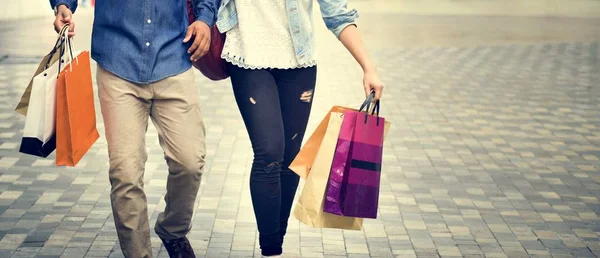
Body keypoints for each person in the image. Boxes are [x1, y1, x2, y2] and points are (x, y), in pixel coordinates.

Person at [215, 0, 384, 256]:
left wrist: (368, 67)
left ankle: (276, 244)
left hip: (298, 61)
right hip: (247, 56)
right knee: (269, 152)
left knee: (290, 155)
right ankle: (270, 246)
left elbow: (337, 13)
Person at [50, 0, 218, 257]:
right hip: (117, 60)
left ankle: (173, 230)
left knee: (190, 161)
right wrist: (63, 4)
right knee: (125, 173)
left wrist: (205, 19)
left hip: (173, 57)